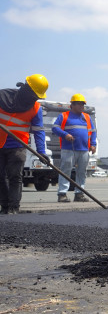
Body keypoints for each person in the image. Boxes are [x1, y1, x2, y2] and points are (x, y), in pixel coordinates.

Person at [0, 75, 49, 214]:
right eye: (34, 95)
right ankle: (4, 206)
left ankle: (13, 207)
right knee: (0, 177)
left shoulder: (36, 108)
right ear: (25, 89)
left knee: (15, 177)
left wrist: (41, 152)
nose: (35, 99)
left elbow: (38, 131)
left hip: (18, 146)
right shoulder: (2, 97)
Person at [52, 94, 96, 202]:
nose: (81, 106)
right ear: (72, 105)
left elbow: (93, 131)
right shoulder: (64, 116)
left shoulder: (87, 117)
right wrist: (65, 135)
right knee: (65, 171)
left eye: (82, 104)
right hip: (68, 149)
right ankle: (62, 194)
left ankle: (79, 194)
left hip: (84, 149)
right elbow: (55, 128)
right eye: (79, 104)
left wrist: (93, 144)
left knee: (82, 172)